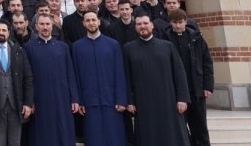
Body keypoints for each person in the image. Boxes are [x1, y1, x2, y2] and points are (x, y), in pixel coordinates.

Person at [123, 14, 190, 146]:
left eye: (145, 23)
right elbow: (126, 76)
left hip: (169, 100)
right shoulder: (128, 48)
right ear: (135, 27)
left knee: (172, 136)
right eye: (139, 24)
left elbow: (179, 73)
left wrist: (182, 98)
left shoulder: (167, 46)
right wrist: (129, 101)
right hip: (143, 103)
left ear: (152, 25)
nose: (143, 26)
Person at [71, 12, 127, 146]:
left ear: (99, 22)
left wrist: (121, 99)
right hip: (89, 101)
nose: (91, 23)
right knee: (94, 137)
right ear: (84, 24)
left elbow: (119, 73)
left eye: (93, 20)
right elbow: (76, 75)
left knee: (114, 137)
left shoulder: (113, 45)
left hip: (111, 100)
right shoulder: (77, 47)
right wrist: (79, 101)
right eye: (88, 20)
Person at [22, 14, 77, 146]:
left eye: (47, 24)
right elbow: (26, 77)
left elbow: (70, 73)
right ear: (36, 27)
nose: (45, 27)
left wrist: (74, 98)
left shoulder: (63, 47)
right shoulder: (28, 48)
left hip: (62, 97)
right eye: (42, 24)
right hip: (40, 99)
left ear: (52, 26)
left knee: (63, 131)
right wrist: (29, 101)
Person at [162, 9, 212, 146]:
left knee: (200, 126)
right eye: (174, 22)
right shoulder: (164, 39)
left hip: (196, 89)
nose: (178, 26)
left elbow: (206, 62)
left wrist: (208, 86)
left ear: (186, 22)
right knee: (180, 127)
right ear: (170, 22)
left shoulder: (196, 38)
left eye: (180, 22)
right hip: (176, 91)